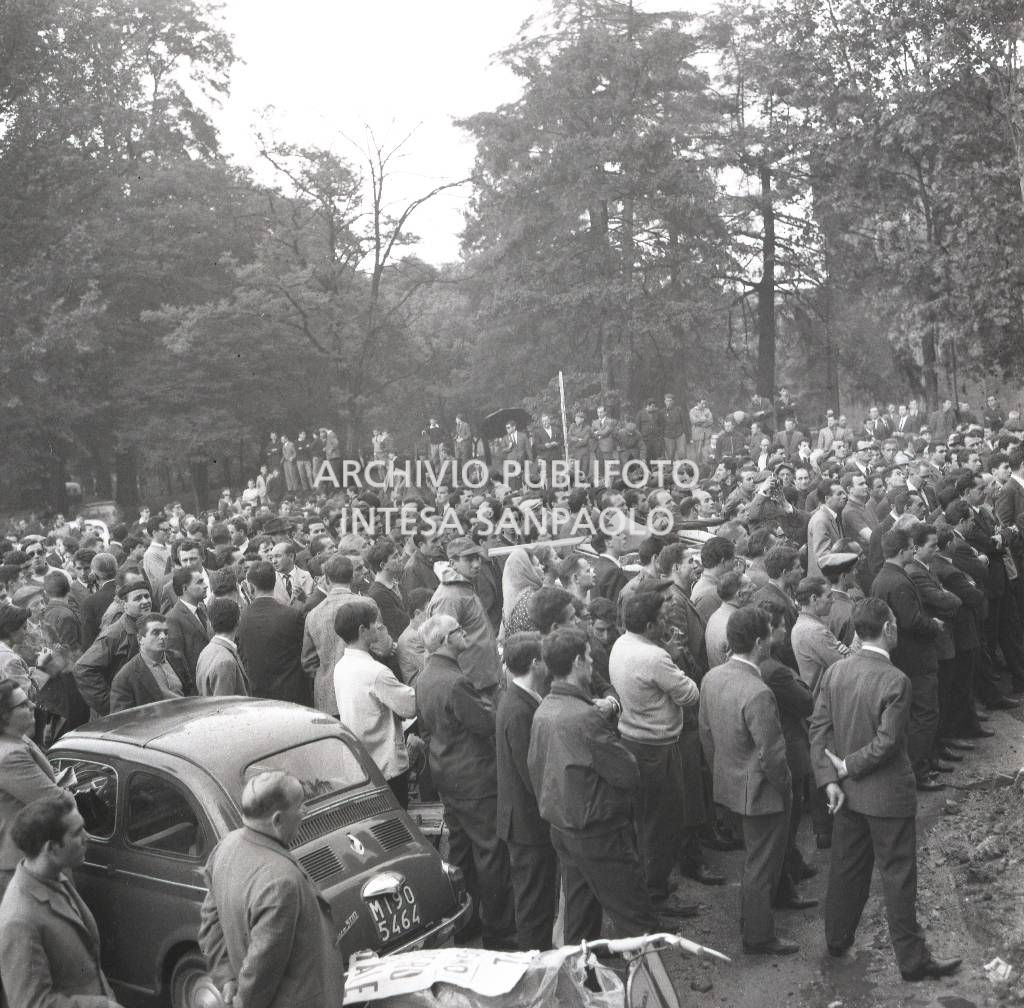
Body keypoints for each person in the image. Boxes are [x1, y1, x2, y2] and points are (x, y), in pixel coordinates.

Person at [810, 598, 962, 981]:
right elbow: (888, 742)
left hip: (847, 794)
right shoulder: (896, 680)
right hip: (887, 796)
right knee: (898, 876)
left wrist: (830, 780)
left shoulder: (836, 672)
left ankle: (837, 940)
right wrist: (848, 766)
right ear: (889, 629)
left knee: (846, 869)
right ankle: (912, 961)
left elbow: (819, 730)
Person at [528, 626, 662, 942]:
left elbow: (536, 767)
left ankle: (582, 973)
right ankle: (648, 975)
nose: (592, 663)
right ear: (577, 662)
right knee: (637, 920)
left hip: (563, 827)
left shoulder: (544, 709)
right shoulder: (585, 717)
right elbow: (627, 772)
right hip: (597, 831)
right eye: (588, 657)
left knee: (580, 917)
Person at [199, 771, 344, 1008]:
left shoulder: (224, 848)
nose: (305, 811)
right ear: (277, 821)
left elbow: (210, 923)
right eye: (299, 806)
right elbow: (259, 973)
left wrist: (226, 977)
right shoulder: (281, 883)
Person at [699, 606, 796, 955]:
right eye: (769, 634)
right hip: (761, 793)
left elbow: (706, 734)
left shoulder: (711, 678)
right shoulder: (758, 691)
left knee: (755, 859)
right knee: (760, 865)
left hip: (729, 785)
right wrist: (785, 787)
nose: (772, 640)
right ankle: (758, 935)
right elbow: (773, 754)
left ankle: (756, 918)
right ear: (758, 642)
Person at [415, 613, 515, 949]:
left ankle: (465, 923)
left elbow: (428, 726)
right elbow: (486, 723)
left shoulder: (426, 676)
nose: (464, 634)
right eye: (458, 630)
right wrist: (493, 704)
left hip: (447, 774)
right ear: (445, 640)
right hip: (474, 778)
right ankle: (500, 931)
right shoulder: (455, 681)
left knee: (462, 853)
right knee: (491, 853)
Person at [610, 592, 700, 913]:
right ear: (649, 626)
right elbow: (690, 694)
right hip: (656, 747)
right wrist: (672, 658)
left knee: (646, 820)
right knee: (662, 823)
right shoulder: (655, 657)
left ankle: (651, 881)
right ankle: (656, 894)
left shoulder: (621, 643)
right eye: (662, 618)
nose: (667, 623)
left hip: (632, 740)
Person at [0, 792, 122, 1007]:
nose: (87, 837)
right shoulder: (19, 920)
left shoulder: (54, 878)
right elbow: (31, 1004)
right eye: (77, 833)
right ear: (52, 848)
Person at [496, 632, 557, 951]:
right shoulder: (519, 710)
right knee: (534, 902)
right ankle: (535, 962)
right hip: (527, 824)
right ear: (535, 663)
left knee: (537, 897)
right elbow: (531, 772)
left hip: (524, 820)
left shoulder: (521, 699)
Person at [334, 599, 416, 808]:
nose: (378, 626)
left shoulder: (341, 666)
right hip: (386, 766)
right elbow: (410, 706)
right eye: (374, 623)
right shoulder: (375, 672)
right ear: (362, 630)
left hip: (362, 765)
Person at [0, 681, 66, 903]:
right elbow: (56, 801)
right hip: (22, 863)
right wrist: (68, 792)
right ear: (4, 715)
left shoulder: (19, 739)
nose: (33, 706)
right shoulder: (10, 755)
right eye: (23, 704)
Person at [237, 561, 309, 706]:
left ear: (251, 587)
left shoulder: (241, 618)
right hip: (293, 697)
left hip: (259, 699)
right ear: (275, 582)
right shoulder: (292, 616)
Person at [301, 554, 360, 716]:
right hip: (362, 693)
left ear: (326, 579)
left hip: (328, 698)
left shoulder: (313, 614)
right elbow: (382, 647)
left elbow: (308, 662)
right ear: (352, 577)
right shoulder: (366, 604)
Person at [110, 612, 194, 711]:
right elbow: (123, 717)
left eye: (165, 632)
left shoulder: (176, 658)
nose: (163, 636)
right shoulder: (125, 677)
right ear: (140, 639)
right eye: (156, 633)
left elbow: (190, 692)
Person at [195, 598, 249, 696]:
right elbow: (224, 704)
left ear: (211, 623)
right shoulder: (225, 662)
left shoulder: (205, 652)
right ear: (238, 621)